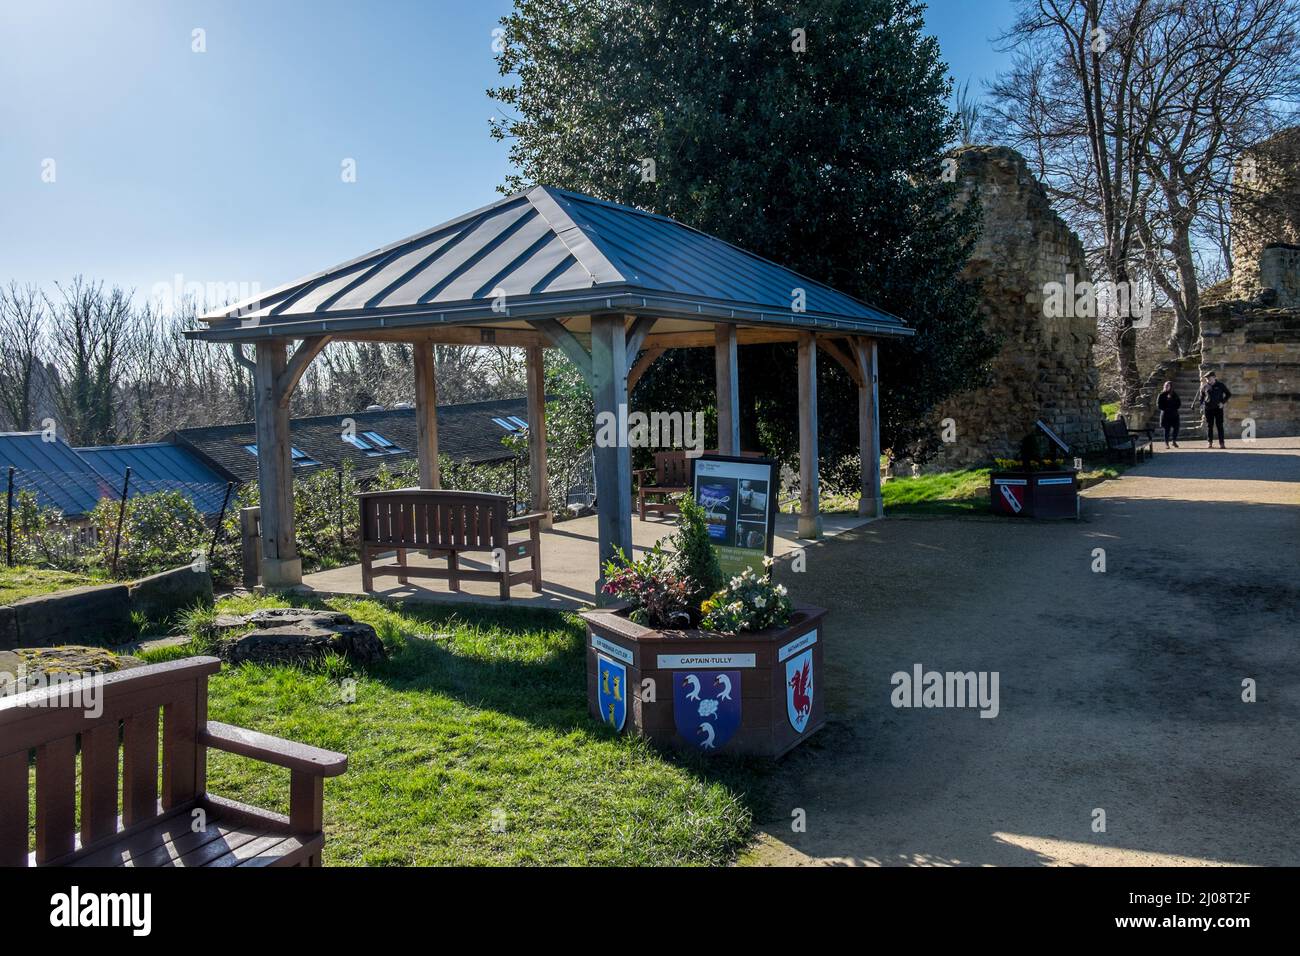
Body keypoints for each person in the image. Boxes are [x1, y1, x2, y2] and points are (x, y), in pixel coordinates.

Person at [1193, 371, 1232, 449]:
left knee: (1219, 426)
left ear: (1214, 377)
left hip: (1218, 408)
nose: (1208, 380)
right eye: (1207, 378)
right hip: (1208, 409)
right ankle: (1209, 443)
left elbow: (1228, 394)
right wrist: (1201, 405)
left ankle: (1222, 443)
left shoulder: (1220, 385)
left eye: (1209, 378)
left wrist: (1222, 402)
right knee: (1209, 426)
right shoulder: (1205, 387)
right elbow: (1201, 397)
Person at [1156, 380, 1181, 447]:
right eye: (1166, 385)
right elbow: (1159, 405)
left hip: (1174, 414)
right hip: (1165, 415)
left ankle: (1174, 441)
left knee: (1176, 428)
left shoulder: (1174, 394)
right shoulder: (1161, 395)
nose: (1166, 387)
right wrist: (1166, 408)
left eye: (1168, 385)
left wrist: (1174, 407)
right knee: (1167, 430)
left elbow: (1178, 403)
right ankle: (1167, 443)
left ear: (1171, 387)